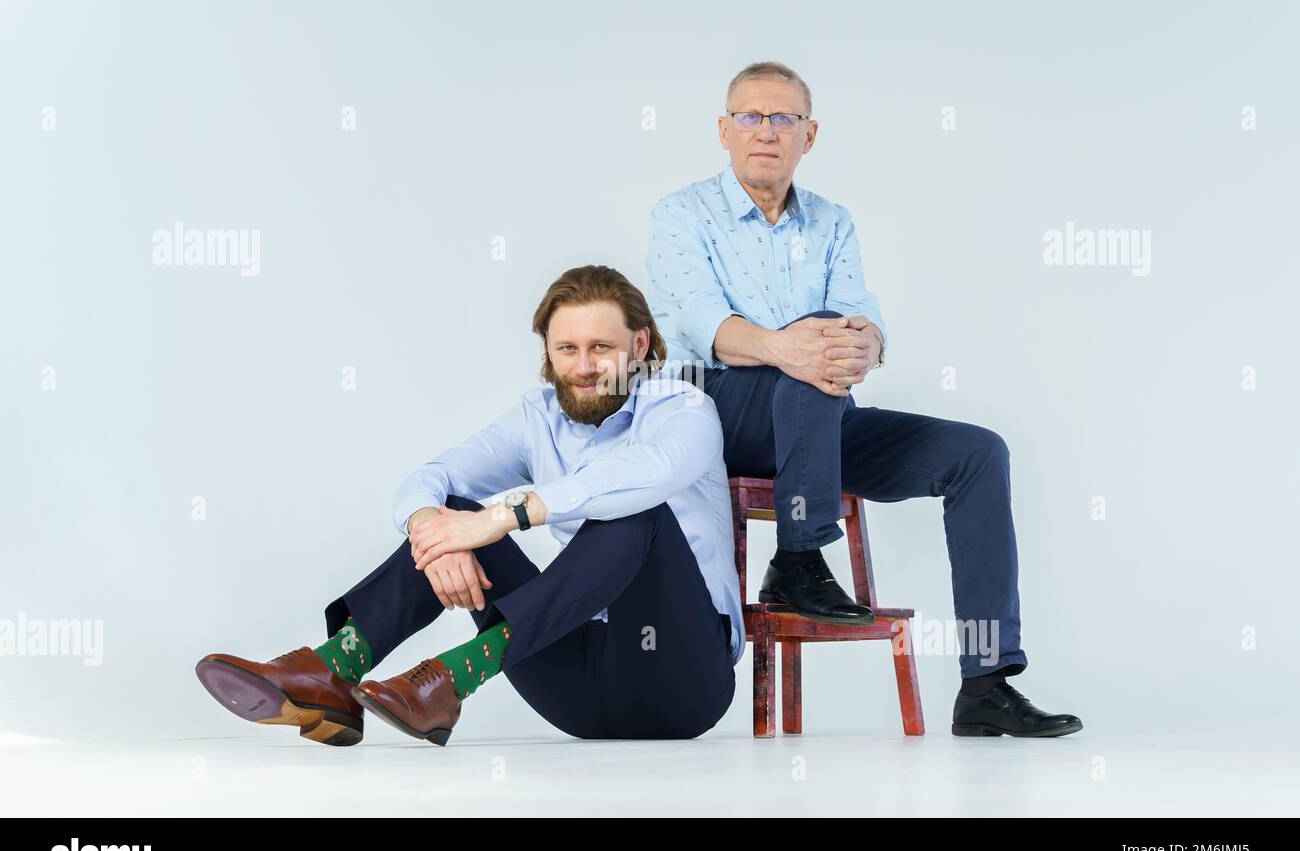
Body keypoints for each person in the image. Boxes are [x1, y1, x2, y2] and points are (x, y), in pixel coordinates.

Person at [644, 60, 1081, 737]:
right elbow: (708, 329)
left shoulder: (831, 222)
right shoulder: (681, 214)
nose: (767, 130)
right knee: (808, 364)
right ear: (724, 130)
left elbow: (859, 320)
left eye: (783, 118)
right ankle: (798, 558)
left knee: (977, 454)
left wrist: (865, 344)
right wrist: (797, 347)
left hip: (816, 417)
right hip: (719, 411)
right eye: (751, 117)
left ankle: (986, 684)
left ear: (808, 135)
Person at [196, 265, 742, 746]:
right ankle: (335, 671)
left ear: (640, 346)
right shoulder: (538, 418)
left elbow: (644, 474)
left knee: (631, 508)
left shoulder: (683, 407)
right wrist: (436, 532)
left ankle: (450, 679)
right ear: (548, 353)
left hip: (679, 678)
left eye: (602, 347)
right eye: (566, 349)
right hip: (574, 693)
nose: (583, 366)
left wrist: (501, 517)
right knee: (447, 508)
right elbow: (432, 477)